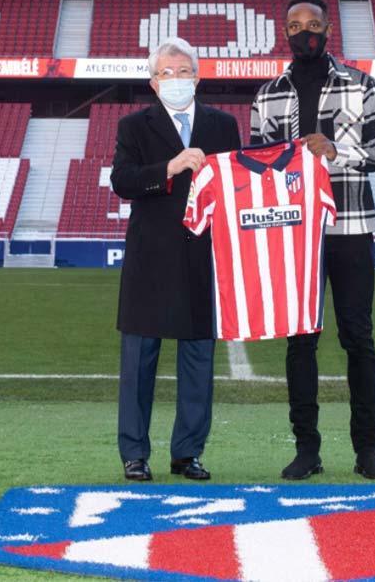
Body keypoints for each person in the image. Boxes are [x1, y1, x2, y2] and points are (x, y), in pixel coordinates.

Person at [250, 0, 375, 481]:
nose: (303, 31)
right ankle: (307, 450)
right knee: (301, 342)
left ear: (328, 30)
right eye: (294, 25)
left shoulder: (363, 85)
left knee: (358, 337)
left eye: (312, 23)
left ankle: (367, 449)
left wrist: (338, 150)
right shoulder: (269, 94)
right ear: (284, 32)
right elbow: (257, 166)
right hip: (296, 233)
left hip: (352, 227)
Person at [110, 36, 242, 482]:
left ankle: (188, 453)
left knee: (198, 363)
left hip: (204, 258)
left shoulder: (223, 126)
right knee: (138, 365)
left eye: (184, 72)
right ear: (152, 82)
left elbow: (237, 187)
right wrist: (169, 167)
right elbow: (123, 181)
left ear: (198, 78)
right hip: (150, 260)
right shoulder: (134, 127)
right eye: (167, 73)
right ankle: (134, 454)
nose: (176, 80)